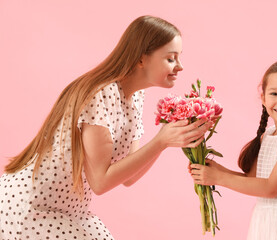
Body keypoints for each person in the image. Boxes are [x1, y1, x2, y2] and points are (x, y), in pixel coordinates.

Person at [0, 15, 211, 239]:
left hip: (70, 212)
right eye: (171, 58)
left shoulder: (136, 96)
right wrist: (160, 141)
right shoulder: (102, 92)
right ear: (141, 59)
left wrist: (168, 141)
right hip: (30, 208)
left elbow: (128, 178)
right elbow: (100, 182)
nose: (180, 66)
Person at [190, 59, 277, 239]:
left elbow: (271, 188)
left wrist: (218, 178)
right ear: (263, 98)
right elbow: (255, 182)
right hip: (268, 223)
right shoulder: (268, 135)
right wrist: (217, 169)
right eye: (274, 93)